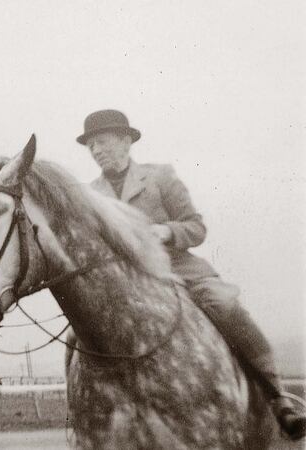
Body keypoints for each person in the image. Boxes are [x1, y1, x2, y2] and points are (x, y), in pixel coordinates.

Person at [74, 109, 306, 440]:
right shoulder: (90, 194)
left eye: (102, 142)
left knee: (225, 305)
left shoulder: (160, 177)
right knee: (77, 334)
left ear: (125, 141)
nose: (96, 151)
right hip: (124, 282)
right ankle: (83, 415)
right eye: (91, 146)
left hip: (178, 269)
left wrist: (166, 232)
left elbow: (196, 227)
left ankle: (278, 397)